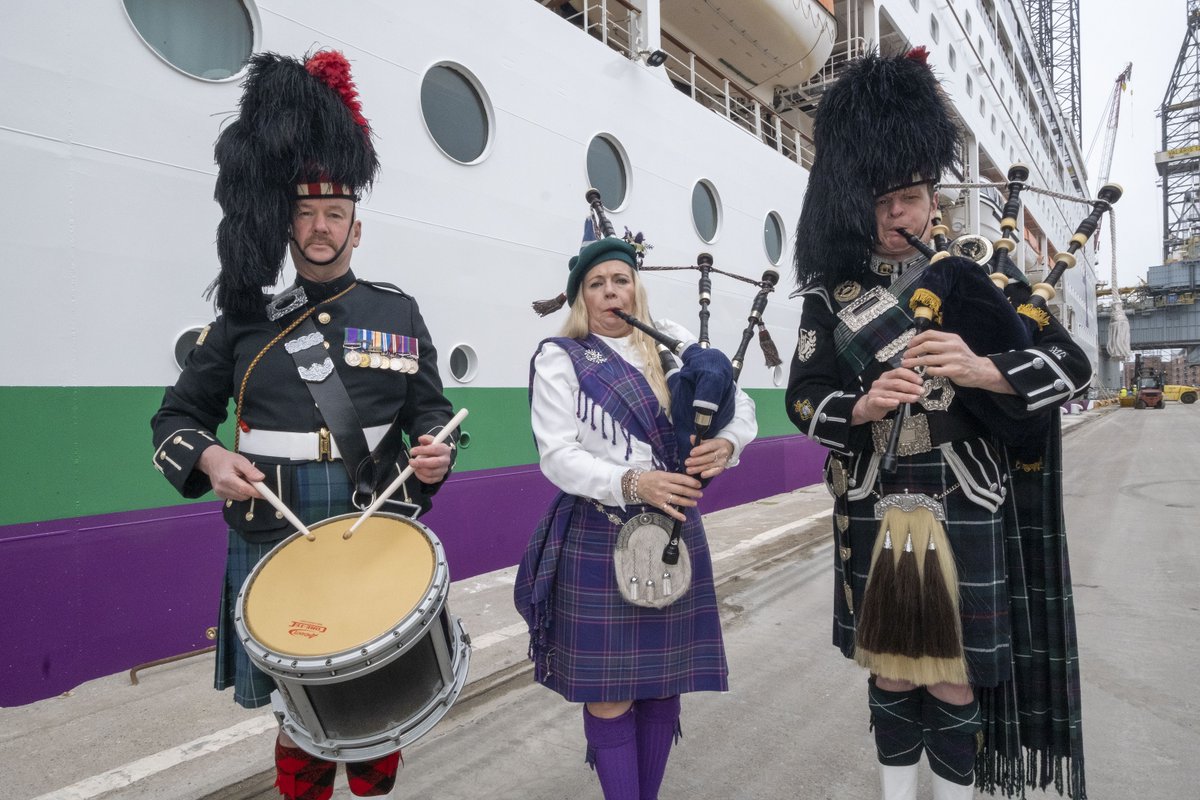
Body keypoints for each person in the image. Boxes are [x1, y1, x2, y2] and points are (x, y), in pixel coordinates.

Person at [784, 50, 1090, 800]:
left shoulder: (984, 279)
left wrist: (984, 368)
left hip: (967, 496)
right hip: (874, 496)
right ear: (856, 200)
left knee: (955, 675)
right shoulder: (831, 294)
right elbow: (801, 397)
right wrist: (857, 408)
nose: (899, 215)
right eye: (884, 199)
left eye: (913, 197)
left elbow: (1071, 364)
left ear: (934, 197)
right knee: (890, 668)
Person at [151, 51, 455, 800]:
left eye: (336, 215)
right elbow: (176, 417)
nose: (321, 229)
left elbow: (434, 412)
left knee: (383, 709)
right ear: (287, 223)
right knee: (298, 711)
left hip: (372, 522)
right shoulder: (243, 321)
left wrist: (436, 452)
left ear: (358, 227)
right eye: (307, 214)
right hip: (271, 531)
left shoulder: (396, 311)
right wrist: (211, 458)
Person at [514, 234, 757, 799]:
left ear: (635, 287)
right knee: (609, 692)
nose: (610, 292)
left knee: (660, 685)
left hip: (674, 527)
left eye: (619, 280)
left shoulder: (670, 343)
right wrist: (632, 482)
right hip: (599, 531)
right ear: (582, 300)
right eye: (596, 285)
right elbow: (557, 455)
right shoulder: (562, 357)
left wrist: (728, 446)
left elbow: (738, 404)